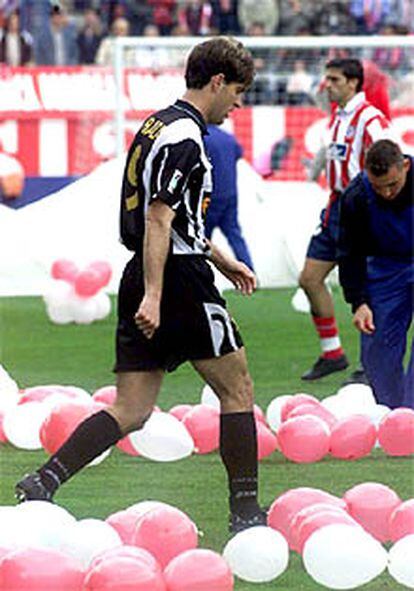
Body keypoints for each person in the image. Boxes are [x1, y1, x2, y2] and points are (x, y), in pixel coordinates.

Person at [15, 36, 267, 534]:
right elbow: (159, 218)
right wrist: (157, 293)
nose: (238, 103)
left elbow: (176, 222)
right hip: (174, 280)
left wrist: (223, 260)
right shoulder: (185, 138)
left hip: (150, 271)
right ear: (217, 82)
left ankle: (43, 482)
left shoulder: (158, 124)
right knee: (237, 389)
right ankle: (245, 514)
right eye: (237, 91)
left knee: (131, 410)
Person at [299, 57, 392, 381]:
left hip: (361, 208)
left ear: (353, 83)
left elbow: (393, 156)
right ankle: (332, 353)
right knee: (309, 279)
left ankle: (373, 362)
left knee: (370, 287)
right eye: (327, 79)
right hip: (335, 206)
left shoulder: (371, 119)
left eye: (334, 80)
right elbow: (335, 156)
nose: (328, 85)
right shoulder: (338, 116)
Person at [338, 139, 413, 409]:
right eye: (379, 187)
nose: (387, 194)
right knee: (378, 350)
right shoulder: (356, 196)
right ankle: (392, 415)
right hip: (385, 270)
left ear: (405, 165)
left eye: (393, 184)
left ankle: (412, 413)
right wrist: (358, 302)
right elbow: (349, 253)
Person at [204, 123, 255, 271]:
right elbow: (238, 155)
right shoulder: (228, 138)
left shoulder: (201, 138)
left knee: (201, 238)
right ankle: (249, 271)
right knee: (234, 235)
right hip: (230, 194)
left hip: (210, 196)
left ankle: (199, 274)